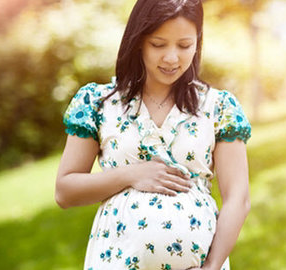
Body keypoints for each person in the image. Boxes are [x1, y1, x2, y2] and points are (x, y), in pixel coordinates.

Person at [55, 0, 251, 269]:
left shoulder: (219, 107)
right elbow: (65, 192)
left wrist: (212, 266)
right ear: (138, 41)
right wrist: (131, 174)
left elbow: (238, 198)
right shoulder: (98, 103)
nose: (171, 58)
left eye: (184, 45)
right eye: (158, 44)